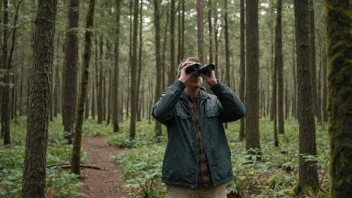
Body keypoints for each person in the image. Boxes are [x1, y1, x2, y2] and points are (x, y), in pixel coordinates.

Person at [151, 57, 246, 198]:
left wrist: (215, 84)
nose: (195, 75)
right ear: (180, 76)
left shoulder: (214, 101)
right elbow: (159, 113)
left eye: (197, 71)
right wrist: (180, 82)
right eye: (189, 70)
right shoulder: (172, 103)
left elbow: (239, 111)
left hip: (214, 184)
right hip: (181, 185)